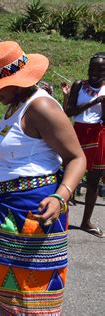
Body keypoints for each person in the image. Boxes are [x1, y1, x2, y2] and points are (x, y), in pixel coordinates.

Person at [0, 41, 86, 315]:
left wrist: (60, 196)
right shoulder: (15, 106)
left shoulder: (41, 106)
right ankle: (3, 306)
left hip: (37, 204)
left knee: (32, 275)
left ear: (16, 82)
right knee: (9, 267)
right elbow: (26, 147)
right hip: (9, 202)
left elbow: (77, 158)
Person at [63, 52, 105, 238]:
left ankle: (86, 222)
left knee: (94, 180)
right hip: (78, 133)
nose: (93, 72)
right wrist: (95, 101)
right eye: (91, 68)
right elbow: (69, 111)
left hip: (99, 134)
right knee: (67, 175)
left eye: (99, 69)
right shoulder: (79, 85)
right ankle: (60, 219)